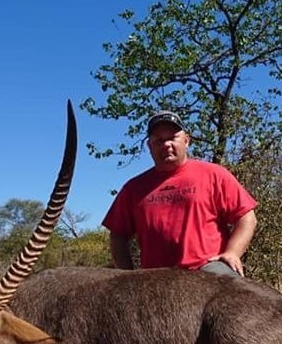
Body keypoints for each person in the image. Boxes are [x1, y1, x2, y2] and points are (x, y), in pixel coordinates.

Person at [102, 110, 257, 277]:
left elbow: (247, 218)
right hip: (155, 278)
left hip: (207, 269)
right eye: (159, 140)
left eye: (172, 138)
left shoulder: (214, 174)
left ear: (186, 141)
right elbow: (118, 234)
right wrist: (127, 276)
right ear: (149, 146)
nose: (166, 144)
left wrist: (232, 253)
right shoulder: (133, 188)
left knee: (233, 294)